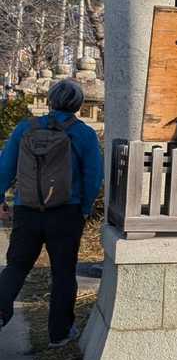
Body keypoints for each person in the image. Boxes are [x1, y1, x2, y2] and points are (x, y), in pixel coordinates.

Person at [0, 79, 104, 345]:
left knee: (17, 265)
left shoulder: (25, 128)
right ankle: (59, 333)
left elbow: (6, 166)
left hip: (27, 209)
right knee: (63, 272)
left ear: (49, 101)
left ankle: (0, 310)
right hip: (66, 212)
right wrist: (85, 208)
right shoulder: (84, 134)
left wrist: (1, 197)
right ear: (78, 106)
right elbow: (93, 176)